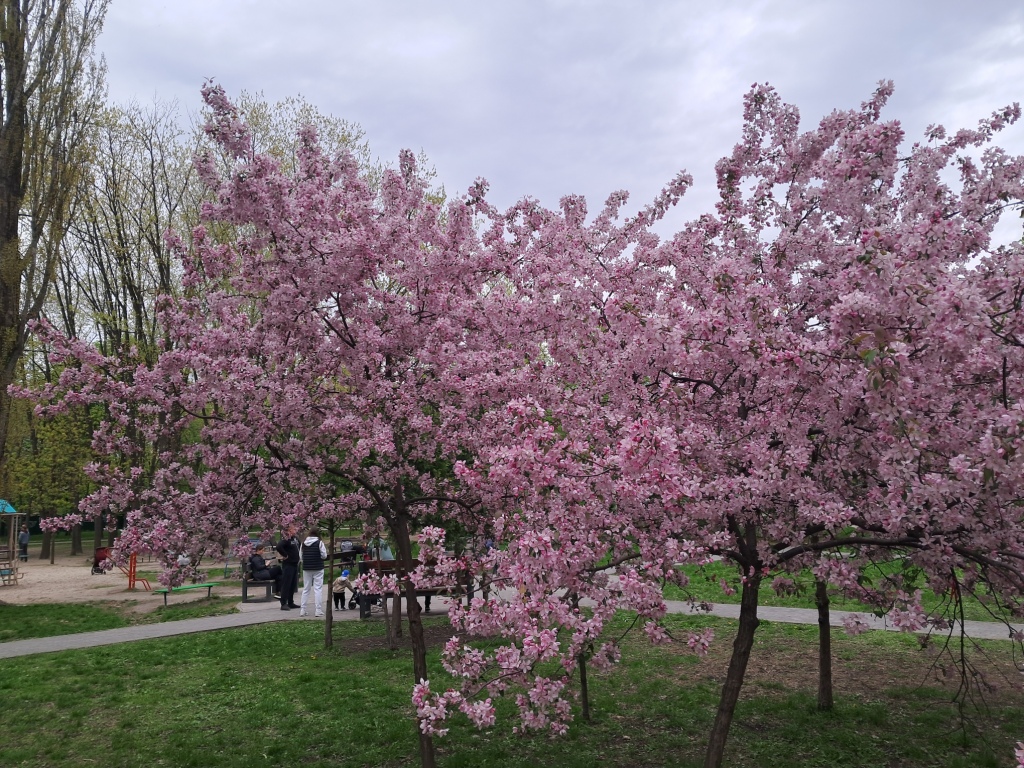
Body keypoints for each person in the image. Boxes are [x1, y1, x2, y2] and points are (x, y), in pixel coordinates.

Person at [300, 527, 327, 617]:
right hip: (318, 567)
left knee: (306, 589)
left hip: (307, 568)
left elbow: (301, 557)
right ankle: (318, 610)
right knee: (318, 589)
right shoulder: (319, 543)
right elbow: (324, 555)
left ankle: (303, 610)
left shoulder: (303, 543)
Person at [276, 525, 300, 611]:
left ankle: (291, 602)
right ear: (288, 531)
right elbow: (279, 547)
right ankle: (283, 603)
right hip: (288, 565)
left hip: (295, 564)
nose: (295, 530)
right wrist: (285, 555)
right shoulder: (286, 539)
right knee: (286, 584)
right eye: (293, 529)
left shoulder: (295, 539)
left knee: (293, 584)